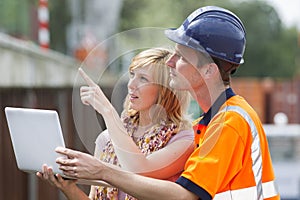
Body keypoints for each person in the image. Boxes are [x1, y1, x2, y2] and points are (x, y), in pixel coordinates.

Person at [47, 6, 280, 200]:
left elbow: (183, 196)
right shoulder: (208, 125)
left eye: (181, 56)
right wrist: (72, 184)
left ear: (208, 70)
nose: (170, 62)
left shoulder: (229, 123)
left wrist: (103, 171)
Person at [37, 48, 194, 199]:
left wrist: (108, 112)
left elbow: (140, 171)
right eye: (132, 75)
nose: (131, 84)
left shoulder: (184, 140)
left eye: (143, 79)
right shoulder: (107, 139)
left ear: (165, 91)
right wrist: (68, 188)